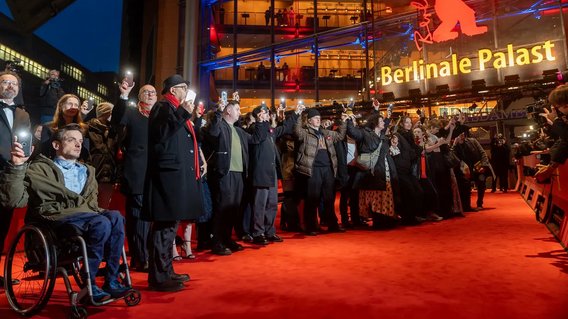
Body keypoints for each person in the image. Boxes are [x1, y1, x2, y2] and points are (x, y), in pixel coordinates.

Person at [0, 124, 130, 302]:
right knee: (101, 222)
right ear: (56, 145)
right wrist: (16, 166)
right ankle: (89, 283)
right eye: (71, 140)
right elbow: (14, 200)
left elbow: (91, 204)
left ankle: (112, 279)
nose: (78, 144)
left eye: (80, 141)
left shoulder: (87, 171)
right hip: (55, 218)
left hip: (85, 216)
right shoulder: (38, 169)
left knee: (115, 217)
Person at [143, 74, 203, 292]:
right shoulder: (163, 107)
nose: (186, 91)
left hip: (175, 175)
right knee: (164, 226)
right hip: (167, 175)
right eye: (183, 87)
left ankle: (166, 271)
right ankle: (158, 277)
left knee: (170, 226)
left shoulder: (176, 110)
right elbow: (161, 133)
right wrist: (183, 112)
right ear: (173, 90)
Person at [203, 98, 269, 255]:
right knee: (222, 208)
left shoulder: (239, 131)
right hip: (224, 173)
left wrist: (261, 122)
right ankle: (216, 241)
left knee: (234, 208)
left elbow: (256, 139)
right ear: (228, 110)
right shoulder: (220, 126)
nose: (240, 112)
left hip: (239, 174)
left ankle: (227, 238)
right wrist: (218, 112)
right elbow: (212, 133)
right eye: (238, 109)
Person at [111, 81, 156, 272]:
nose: (150, 94)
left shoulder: (159, 116)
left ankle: (150, 256)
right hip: (136, 172)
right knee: (138, 217)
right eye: (145, 92)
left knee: (152, 217)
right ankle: (140, 258)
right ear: (139, 96)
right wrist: (123, 96)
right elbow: (116, 120)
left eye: (153, 92)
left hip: (156, 174)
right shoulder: (131, 113)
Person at [249, 104, 298, 244]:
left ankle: (269, 231)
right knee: (260, 205)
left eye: (267, 112)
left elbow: (285, 128)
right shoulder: (255, 128)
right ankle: (258, 233)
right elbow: (258, 137)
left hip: (272, 172)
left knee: (272, 203)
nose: (267, 114)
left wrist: (295, 113)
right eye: (264, 112)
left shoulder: (270, 130)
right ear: (258, 115)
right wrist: (259, 122)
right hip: (261, 173)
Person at [294, 107, 348, 235]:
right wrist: (298, 115)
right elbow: (297, 132)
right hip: (313, 169)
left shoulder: (326, 133)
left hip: (328, 169)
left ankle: (332, 224)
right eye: (316, 118)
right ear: (309, 121)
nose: (319, 120)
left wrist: (343, 122)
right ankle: (311, 227)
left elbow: (340, 135)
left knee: (329, 198)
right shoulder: (305, 133)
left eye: (319, 118)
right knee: (312, 198)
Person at [0, 71, 31, 287]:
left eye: (14, 83)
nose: (10, 86)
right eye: (5, 82)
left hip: (11, 172)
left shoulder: (22, 114)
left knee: (2, 225)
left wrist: (24, 157)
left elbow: (25, 139)